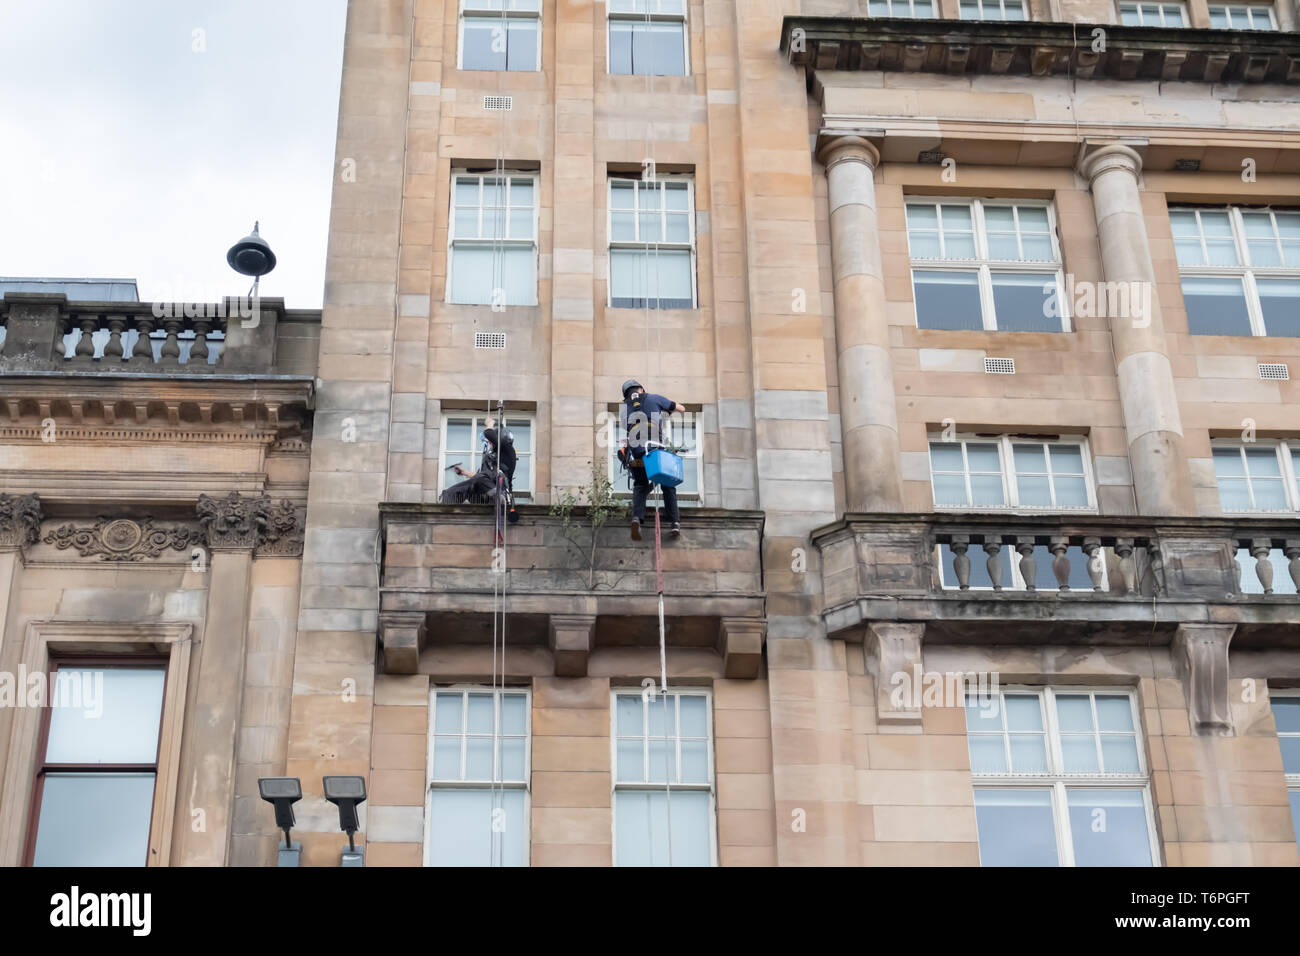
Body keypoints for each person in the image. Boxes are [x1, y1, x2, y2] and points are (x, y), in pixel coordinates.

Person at [620, 379, 685, 541]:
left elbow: (627, 426)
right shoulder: (654, 398)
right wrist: (666, 409)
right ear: (641, 389)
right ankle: (675, 522)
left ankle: (637, 518)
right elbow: (681, 409)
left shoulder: (624, 408)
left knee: (640, 484)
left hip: (637, 451)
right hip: (654, 448)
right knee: (668, 483)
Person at [441, 417, 516, 505]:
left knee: (480, 478)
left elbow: (488, 433)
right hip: (487, 492)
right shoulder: (493, 457)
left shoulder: (508, 451)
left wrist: (490, 425)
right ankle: (448, 509)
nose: (490, 444)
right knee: (450, 493)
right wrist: (464, 472)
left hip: (501, 489)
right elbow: (483, 478)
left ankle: (498, 497)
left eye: (491, 442)